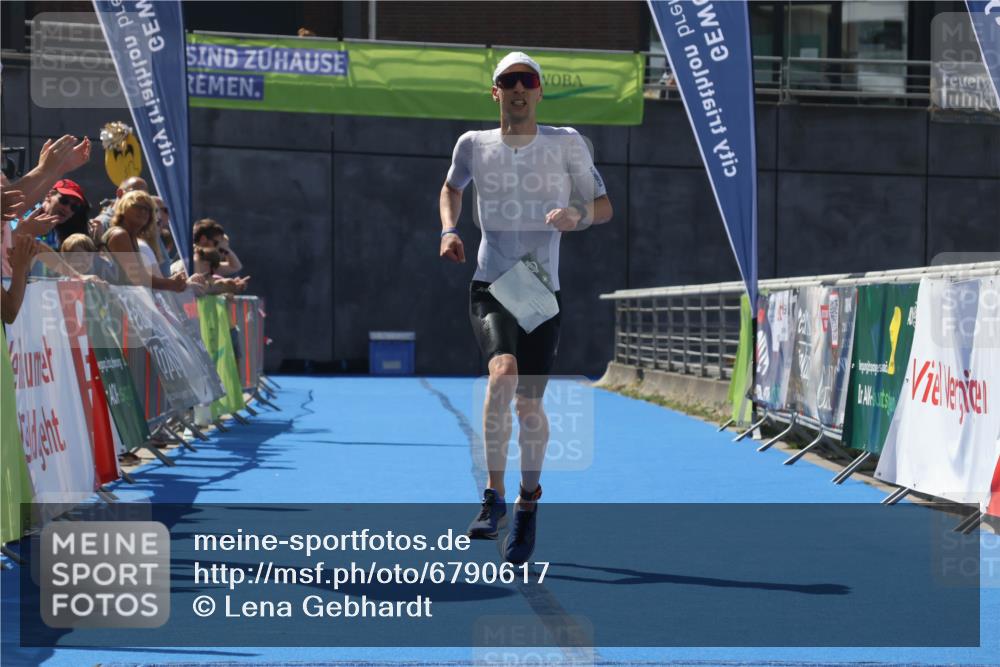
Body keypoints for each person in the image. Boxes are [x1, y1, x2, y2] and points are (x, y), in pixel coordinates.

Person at [439, 52, 613, 564]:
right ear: (495, 92)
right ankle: (493, 497)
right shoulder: (473, 144)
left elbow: (604, 207)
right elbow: (451, 187)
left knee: (529, 409)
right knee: (502, 374)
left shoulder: (567, 143)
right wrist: (450, 229)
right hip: (492, 280)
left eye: (527, 81)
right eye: (508, 81)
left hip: (537, 285)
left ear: (539, 91)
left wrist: (576, 212)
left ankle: (528, 501)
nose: (518, 89)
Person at [101, 190, 188, 292]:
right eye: (138, 207)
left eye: (148, 209)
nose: (143, 212)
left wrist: (171, 281)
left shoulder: (130, 237)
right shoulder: (120, 234)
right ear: (124, 208)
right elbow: (137, 277)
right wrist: (171, 284)